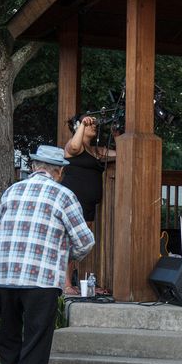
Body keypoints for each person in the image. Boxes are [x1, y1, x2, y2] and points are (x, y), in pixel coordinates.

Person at [0, 145, 95, 364]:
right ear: (59, 171)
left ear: (35, 167)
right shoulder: (63, 195)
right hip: (42, 282)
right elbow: (85, 241)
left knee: (9, 341)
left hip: (6, 278)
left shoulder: (11, 191)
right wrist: (63, 255)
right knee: (35, 345)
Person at [61, 114, 116, 295]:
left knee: (82, 244)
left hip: (90, 205)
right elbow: (75, 145)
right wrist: (82, 125)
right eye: (90, 124)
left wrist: (117, 134)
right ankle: (66, 284)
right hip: (75, 202)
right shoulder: (72, 147)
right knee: (71, 241)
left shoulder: (96, 151)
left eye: (93, 125)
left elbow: (123, 153)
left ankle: (79, 282)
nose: (94, 126)